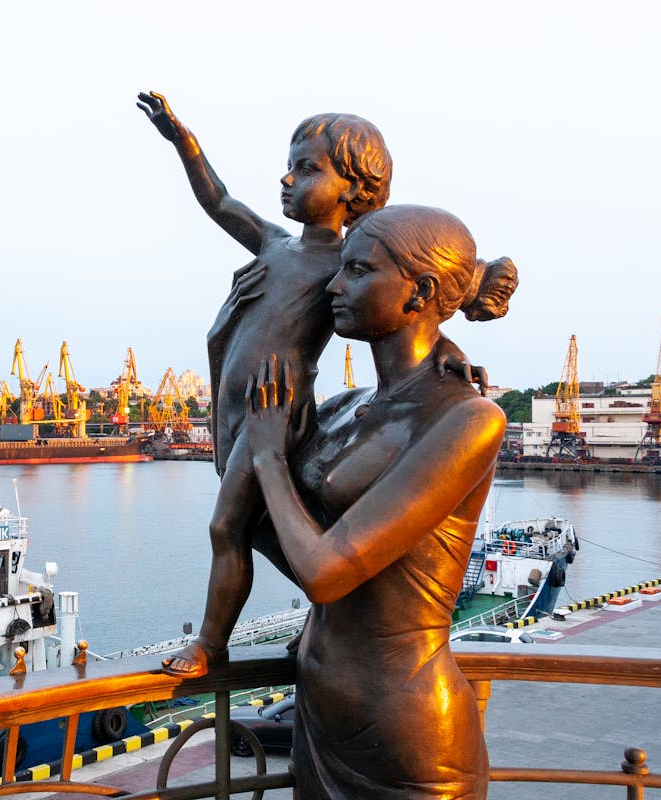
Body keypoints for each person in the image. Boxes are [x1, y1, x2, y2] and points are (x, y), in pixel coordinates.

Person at [137, 91, 475, 676]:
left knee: (227, 526)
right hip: (237, 409)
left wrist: (449, 354)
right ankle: (334, 615)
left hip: (276, 409)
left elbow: (416, 300)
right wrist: (185, 144)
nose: (287, 178)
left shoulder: (347, 262)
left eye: (307, 169)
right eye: (291, 165)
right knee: (265, 533)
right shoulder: (276, 244)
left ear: (354, 190)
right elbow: (220, 202)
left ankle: (209, 646)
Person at [244, 204, 517, 798]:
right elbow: (256, 523)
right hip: (317, 710)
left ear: (419, 291)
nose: (334, 286)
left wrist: (268, 456)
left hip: (407, 734)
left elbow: (323, 572)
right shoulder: (347, 407)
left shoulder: (468, 420)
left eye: (358, 271)